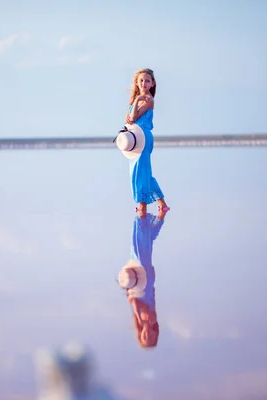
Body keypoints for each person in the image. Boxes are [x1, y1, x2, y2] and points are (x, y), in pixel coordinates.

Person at [118, 208, 168, 349]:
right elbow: (146, 302)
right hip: (144, 282)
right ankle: (143, 219)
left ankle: (156, 218)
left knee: (143, 248)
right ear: (154, 333)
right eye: (150, 337)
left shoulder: (140, 319)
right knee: (141, 248)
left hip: (141, 282)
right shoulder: (150, 319)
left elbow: (135, 301)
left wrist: (138, 312)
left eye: (144, 337)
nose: (147, 334)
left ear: (140, 335)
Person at [125, 68, 170, 217]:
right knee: (139, 171)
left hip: (143, 137)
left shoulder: (148, 99)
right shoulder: (136, 99)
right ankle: (161, 202)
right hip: (135, 137)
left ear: (153, 83)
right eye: (141, 81)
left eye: (147, 81)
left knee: (141, 171)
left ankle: (142, 204)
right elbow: (129, 119)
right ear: (137, 83)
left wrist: (137, 100)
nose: (144, 83)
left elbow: (133, 117)